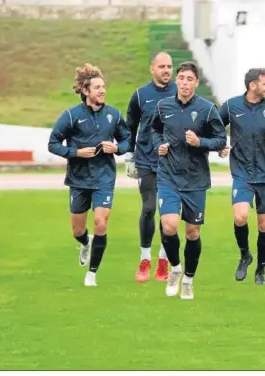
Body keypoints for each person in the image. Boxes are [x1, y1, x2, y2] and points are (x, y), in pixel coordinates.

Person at [149, 61, 227, 300]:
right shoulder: (164, 106)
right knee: (169, 225)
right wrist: (158, 145)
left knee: (192, 232)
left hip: (195, 179)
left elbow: (220, 139)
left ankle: (189, 280)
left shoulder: (207, 109)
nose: (184, 83)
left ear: (196, 83)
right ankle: (175, 268)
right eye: (180, 78)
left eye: (188, 79)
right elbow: (153, 130)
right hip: (168, 176)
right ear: (176, 80)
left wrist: (200, 143)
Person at [48, 63, 130, 287]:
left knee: (101, 222)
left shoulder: (113, 114)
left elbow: (127, 139)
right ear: (85, 91)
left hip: (104, 177)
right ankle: (85, 242)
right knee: (77, 230)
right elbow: (53, 144)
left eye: (103, 86)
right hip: (79, 179)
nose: (102, 90)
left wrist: (118, 149)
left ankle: (92, 273)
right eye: (97, 87)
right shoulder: (71, 116)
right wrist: (75, 153)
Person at [217, 68, 265, 284]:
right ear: (253, 85)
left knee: (264, 225)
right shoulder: (232, 106)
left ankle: (261, 270)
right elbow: (214, 126)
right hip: (242, 173)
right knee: (240, 216)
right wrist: (220, 145)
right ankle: (244, 255)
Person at [126, 52, 177, 283]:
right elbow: (131, 127)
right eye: (162, 66)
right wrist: (129, 156)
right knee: (148, 208)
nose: (167, 70)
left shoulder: (180, 92)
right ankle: (145, 258)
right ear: (152, 69)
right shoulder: (140, 95)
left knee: (168, 214)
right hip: (146, 160)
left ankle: (163, 260)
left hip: (173, 162)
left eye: (169, 66)